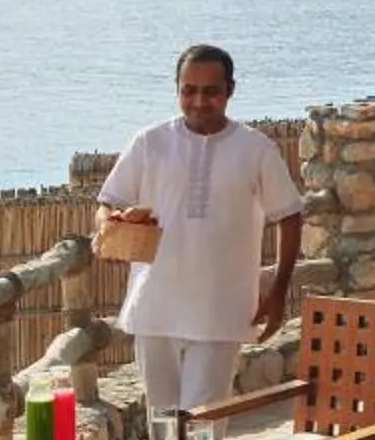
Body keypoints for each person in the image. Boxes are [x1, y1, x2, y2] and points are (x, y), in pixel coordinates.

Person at [94, 43, 305, 420]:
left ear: (230, 91)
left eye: (211, 91)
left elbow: (289, 215)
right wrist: (110, 225)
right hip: (154, 308)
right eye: (188, 90)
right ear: (177, 89)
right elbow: (108, 201)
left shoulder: (255, 148)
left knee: (202, 430)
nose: (198, 101)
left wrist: (278, 291)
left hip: (220, 311)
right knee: (162, 425)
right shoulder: (149, 142)